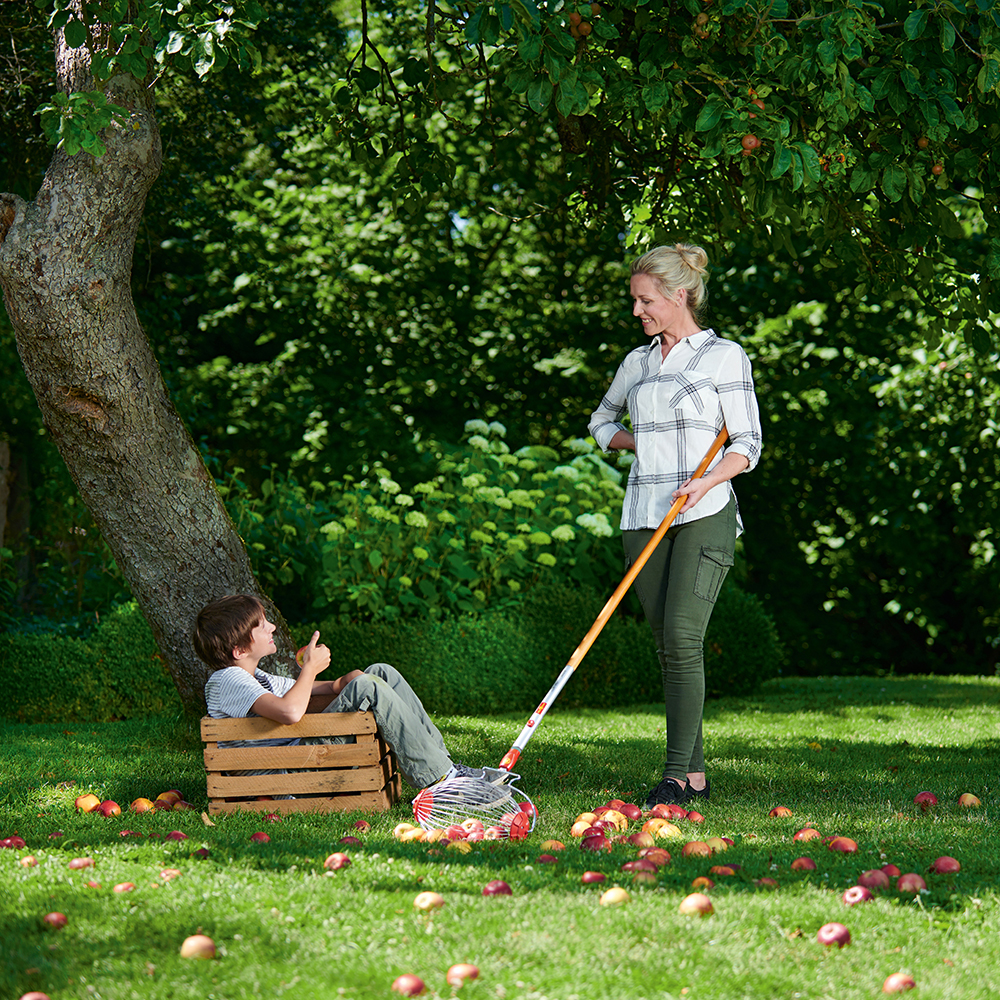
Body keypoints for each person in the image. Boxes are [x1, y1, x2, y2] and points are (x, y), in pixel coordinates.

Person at [588, 244, 762, 808]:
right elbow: (600, 421)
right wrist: (645, 444)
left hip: (704, 515)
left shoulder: (723, 357)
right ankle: (697, 777)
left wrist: (706, 482)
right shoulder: (638, 363)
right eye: (635, 300)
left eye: (645, 300)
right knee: (668, 646)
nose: (637, 311)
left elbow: (747, 445)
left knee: (685, 637)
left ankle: (672, 779)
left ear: (678, 295)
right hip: (643, 515)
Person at [193, 594, 486, 792]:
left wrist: (340, 683)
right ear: (240, 650)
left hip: (297, 760)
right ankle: (440, 779)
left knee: (379, 672)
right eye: (261, 625)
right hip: (288, 774)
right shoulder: (227, 679)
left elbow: (303, 693)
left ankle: (444, 766)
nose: (271, 626)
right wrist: (309, 668)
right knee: (369, 685)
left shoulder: (256, 677)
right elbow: (291, 711)